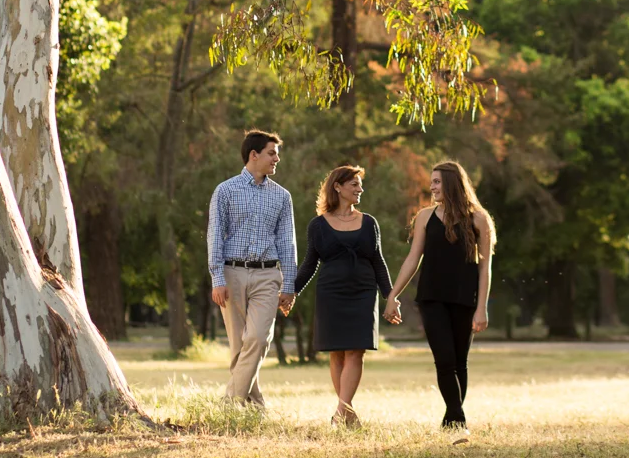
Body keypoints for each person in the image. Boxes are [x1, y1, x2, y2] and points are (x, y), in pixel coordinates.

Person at [384, 160, 494, 439]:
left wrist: (482, 307)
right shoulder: (425, 217)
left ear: (452, 184)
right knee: (444, 359)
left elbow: (485, 268)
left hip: (464, 298)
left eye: (436, 182)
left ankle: (451, 418)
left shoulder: (479, 219)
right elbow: (413, 259)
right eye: (431, 182)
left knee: (459, 362)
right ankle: (458, 419)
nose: (431, 187)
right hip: (431, 297)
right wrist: (393, 294)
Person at [294, 164, 395, 427]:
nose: (360, 189)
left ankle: (341, 411)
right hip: (331, 292)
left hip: (363, 292)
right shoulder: (318, 225)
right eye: (354, 184)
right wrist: (291, 290)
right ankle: (347, 414)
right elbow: (309, 263)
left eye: (360, 184)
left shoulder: (369, 222)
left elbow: (378, 261)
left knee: (356, 351)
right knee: (337, 353)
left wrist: (390, 296)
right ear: (337, 187)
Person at [207, 129, 297, 408]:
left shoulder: (282, 196)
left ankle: (229, 404)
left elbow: (287, 242)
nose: (276, 159)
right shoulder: (225, 190)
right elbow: (215, 235)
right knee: (240, 347)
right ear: (254, 155)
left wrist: (289, 286)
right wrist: (217, 278)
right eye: (272, 154)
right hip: (232, 274)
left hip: (268, 275)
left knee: (257, 339)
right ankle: (255, 406)